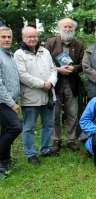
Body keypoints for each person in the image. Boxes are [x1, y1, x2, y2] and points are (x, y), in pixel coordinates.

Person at [14, 26, 58, 165]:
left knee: (48, 124)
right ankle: (30, 154)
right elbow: (23, 76)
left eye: (35, 36)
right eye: (29, 37)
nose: (33, 39)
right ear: (23, 38)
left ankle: (45, 149)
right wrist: (42, 84)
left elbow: (53, 69)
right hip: (31, 97)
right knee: (29, 127)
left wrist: (50, 82)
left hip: (49, 95)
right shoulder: (19, 54)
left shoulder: (44, 51)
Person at [45, 18, 84, 153]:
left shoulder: (78, 44)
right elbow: (45, 63)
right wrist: (58, 69)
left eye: (70, 27)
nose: (67, 29)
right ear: (60, 28)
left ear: (74, 29)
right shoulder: (51, 42)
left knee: (72, 112)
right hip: (55, 82)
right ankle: (56, 139)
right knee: (54, 113)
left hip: (71, 82)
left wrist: (73, 69)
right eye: (65, 27)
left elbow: (82, 64)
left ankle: (71, 139)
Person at [0, 27, 22, 173]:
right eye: (3, 37)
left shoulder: (9, 55)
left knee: (6, 130)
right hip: (3, 102)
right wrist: (12, 103)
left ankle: (5, 161)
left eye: (9, 37)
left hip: (10, 100)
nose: (7, 39)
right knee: (15, 127)